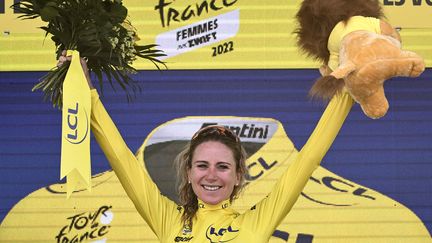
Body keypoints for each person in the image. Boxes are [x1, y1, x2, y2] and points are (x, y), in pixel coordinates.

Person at [58, 52, 353, 242]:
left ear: (238, 175)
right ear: (188, 172)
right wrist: (87, 95)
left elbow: (309, 158)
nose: (211, 175)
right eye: (202, 165)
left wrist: (347, 89)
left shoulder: (258, 223)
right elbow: (123, 161)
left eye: (222, 166)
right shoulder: (168, 221)